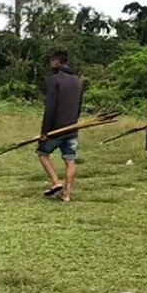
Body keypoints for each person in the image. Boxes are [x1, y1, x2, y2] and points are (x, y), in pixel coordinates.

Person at [37, 51, 84, 203]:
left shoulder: (54, 80)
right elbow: (79, 106)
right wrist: (74, 122)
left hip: (56, 128)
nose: (50, 65)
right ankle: (67, 194)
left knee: (42, 152)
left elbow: (50, 107)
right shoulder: (77, 80)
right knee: (70, 159)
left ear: (56, 62)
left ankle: (56, 182)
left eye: (51, 62)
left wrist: (44, 131)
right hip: (72, 127)